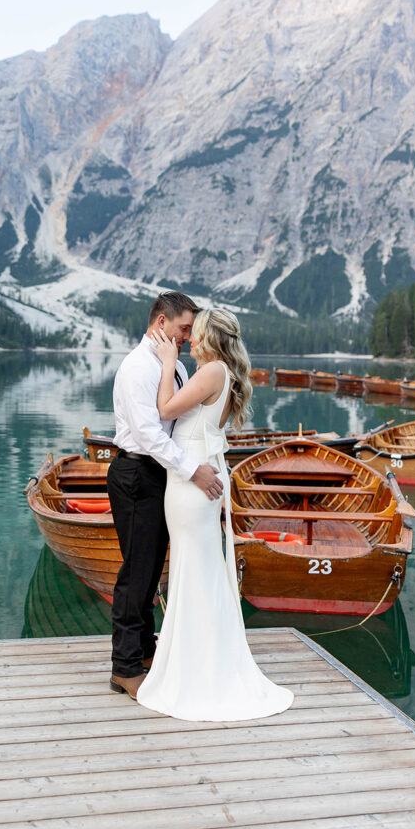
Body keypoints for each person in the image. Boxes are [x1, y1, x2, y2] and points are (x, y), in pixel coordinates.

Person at [136, 307, 294, 721]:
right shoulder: (223, 374)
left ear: (208, 336)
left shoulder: (210, 372)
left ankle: (197, 672)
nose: (187, 339)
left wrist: (169, 365)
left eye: (193, 333)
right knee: (199, 569)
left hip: (191, 481)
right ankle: (204, 662)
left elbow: (165, 411)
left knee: (194, 570)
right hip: (199, 475)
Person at [107, 291, 224, 700]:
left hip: (159, 475)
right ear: (161, 323)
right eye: (184, 328)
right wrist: (193, 470)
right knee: (136, 572)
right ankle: (124, 667)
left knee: (151, 569)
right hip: (137, 473)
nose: (189, 336)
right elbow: (148, 434)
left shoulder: (166, 366)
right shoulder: (138, 367)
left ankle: (145, 653)